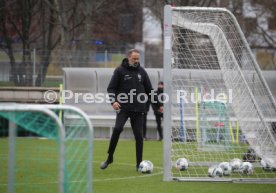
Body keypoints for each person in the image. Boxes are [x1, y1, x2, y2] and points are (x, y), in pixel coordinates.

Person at [100, 49, 158, 171]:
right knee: (117, 129)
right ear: (129, 58)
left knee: (139, 136)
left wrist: (158, 104)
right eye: (134, 59)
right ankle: (109, 157)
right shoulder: (119, 70)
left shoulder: (142, 71)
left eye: (138, 59)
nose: (136, 61)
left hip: (138, 109)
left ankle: (139, 164)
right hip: (123, 107)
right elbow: (111, 88)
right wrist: (113, 101)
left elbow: (150, 90)